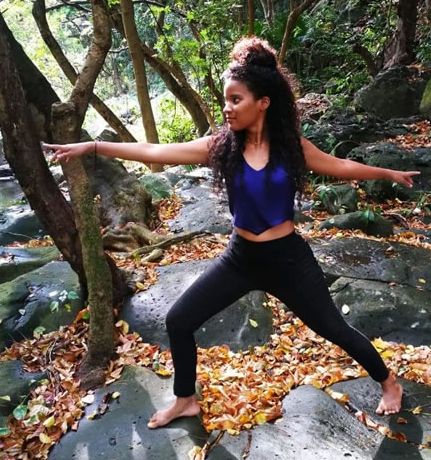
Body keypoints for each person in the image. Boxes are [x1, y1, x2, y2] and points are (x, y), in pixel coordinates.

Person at [44, 37, 415, 427]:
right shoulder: (220, 146)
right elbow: (155, 151)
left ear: (263, 103)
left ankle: (389, 382)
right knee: (179, 320)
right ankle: (186, 399)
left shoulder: (292, 148)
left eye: (236, 100)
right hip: (240, 258)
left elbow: (340, 166)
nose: (227, 107)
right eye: (225, 99)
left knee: (332, 328)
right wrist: (93, 146)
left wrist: (387, 172)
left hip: (287, 260)